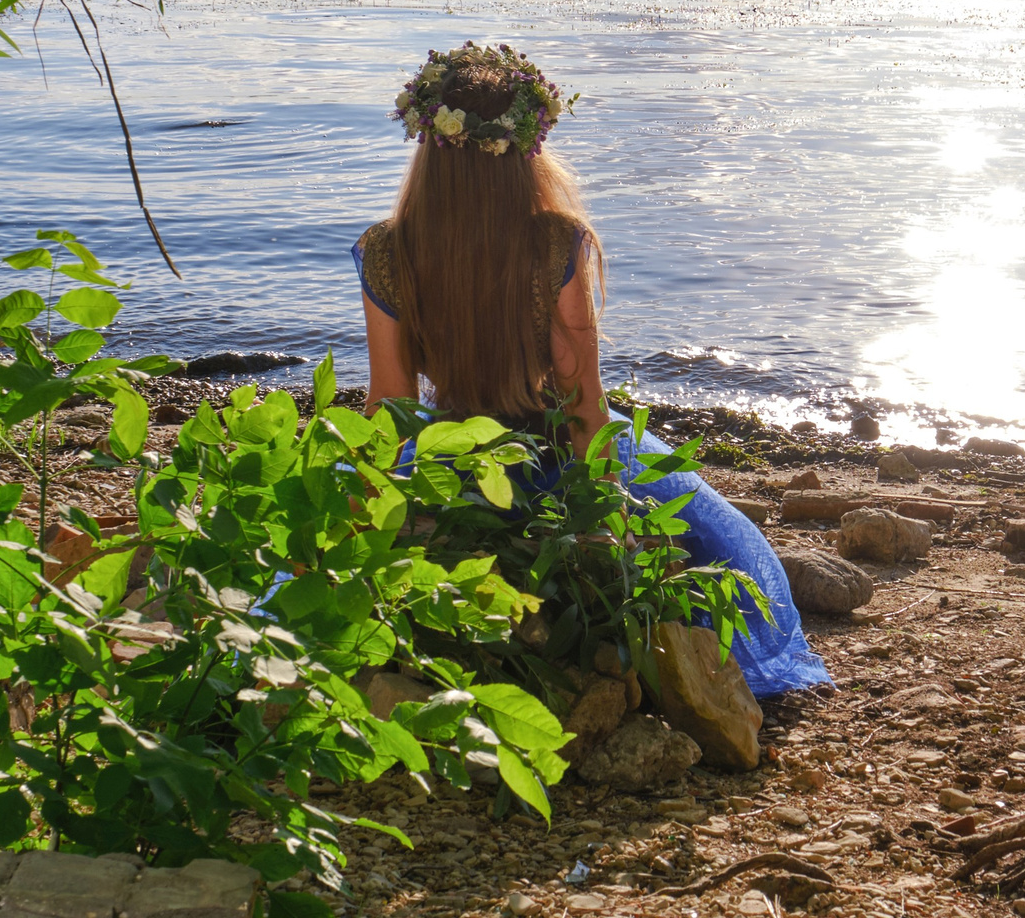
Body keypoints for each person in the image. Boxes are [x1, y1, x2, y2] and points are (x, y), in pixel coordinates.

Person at [355, 41, 830, 696]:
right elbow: (582, 405)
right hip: (555, 460)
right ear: (524, 151)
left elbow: (390, 413)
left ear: (430, 148)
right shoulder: (553, 242)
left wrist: (374, 523)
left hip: (453, 466)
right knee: (732, 554)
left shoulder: (387, 251)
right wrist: (604, 523)